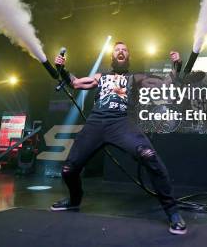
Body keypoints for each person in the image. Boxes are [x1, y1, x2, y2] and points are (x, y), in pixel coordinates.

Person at [51, 42, 187, 235]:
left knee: (149, 155)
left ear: (128, 56)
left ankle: (172, 212)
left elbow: (166, 83)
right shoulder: (101, 77)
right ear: (112, 56)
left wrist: (176, 66)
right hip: (96, 123)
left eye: (124, 50)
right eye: (117, 49)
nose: (121, 51)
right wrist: (63, 69)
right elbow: (75, 83)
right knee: (68, 169)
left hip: (121, 123)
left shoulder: (135, 77)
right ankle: (74, 200)